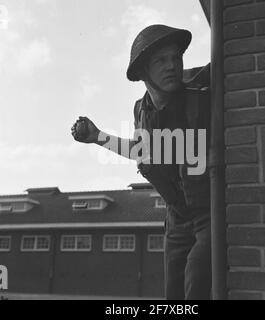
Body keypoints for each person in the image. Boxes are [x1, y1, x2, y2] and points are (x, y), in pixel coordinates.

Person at [71, 24, 211, 300]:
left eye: (176, 57)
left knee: (197, 281)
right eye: (161, 60)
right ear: (143, 72)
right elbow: (142, 152)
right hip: (177, 218)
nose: (172, 65)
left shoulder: (202, 87)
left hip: (209, 213)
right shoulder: (142, 110)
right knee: (173, 293)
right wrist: (97, 137)